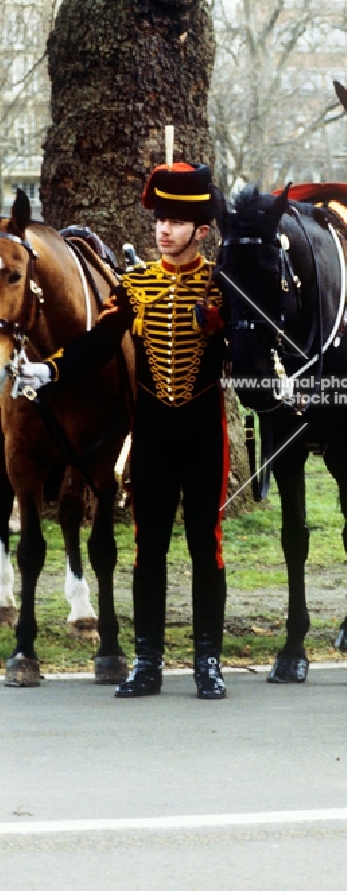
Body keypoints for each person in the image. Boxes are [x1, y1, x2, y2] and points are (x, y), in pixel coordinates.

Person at [15, 161, 230, 700]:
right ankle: (147, 661)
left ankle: (208, 660)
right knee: (148, 547)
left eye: (177, 221)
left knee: (207, 547)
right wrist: (51, 370)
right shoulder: (134, 285)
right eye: (160, 219)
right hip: (153, 430)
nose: (164, 229)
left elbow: (245, 348)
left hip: (204, 430)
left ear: (200, 231)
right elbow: (100, 343)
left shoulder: (223, 287)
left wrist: (224, 328)